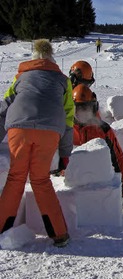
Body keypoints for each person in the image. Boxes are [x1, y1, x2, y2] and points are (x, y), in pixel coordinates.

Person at [0, 39, 73, 247]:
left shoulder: (21, 77)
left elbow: (4, 107)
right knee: (40, 180)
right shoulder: (63, 80)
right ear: (52, 57)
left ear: (32, 56)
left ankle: (1, 229)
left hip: (19, 127)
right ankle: (59, 234)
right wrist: (65, 154)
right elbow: (69, 118)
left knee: (16, 178)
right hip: (50, 131)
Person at [72, 84, 123, 209]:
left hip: (98, 187)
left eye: (86, 108)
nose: (83, 113)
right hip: (73, 189)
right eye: (79, 109)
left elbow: (117, 158)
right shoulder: (65, 129)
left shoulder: (103, 129)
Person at [50, 60, 97, 176]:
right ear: (73, 78)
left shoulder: (82, 95)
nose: (83, 86)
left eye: (87, 85)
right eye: (83, 82)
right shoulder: (60, 91)